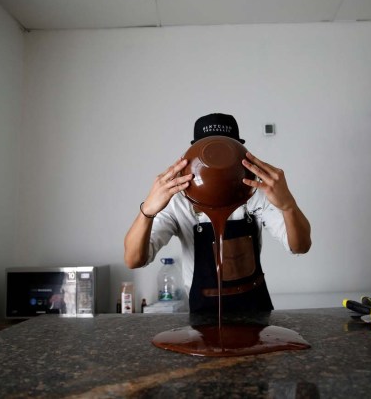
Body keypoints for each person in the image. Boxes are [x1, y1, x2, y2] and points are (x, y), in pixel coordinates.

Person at [124, 113, 311, 313]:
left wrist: (289, 205)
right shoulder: (177, 200)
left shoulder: (258, 193)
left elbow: (300, 246)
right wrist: (147, 212)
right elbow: (134, 260)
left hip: (257, 313)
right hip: (202, 316)